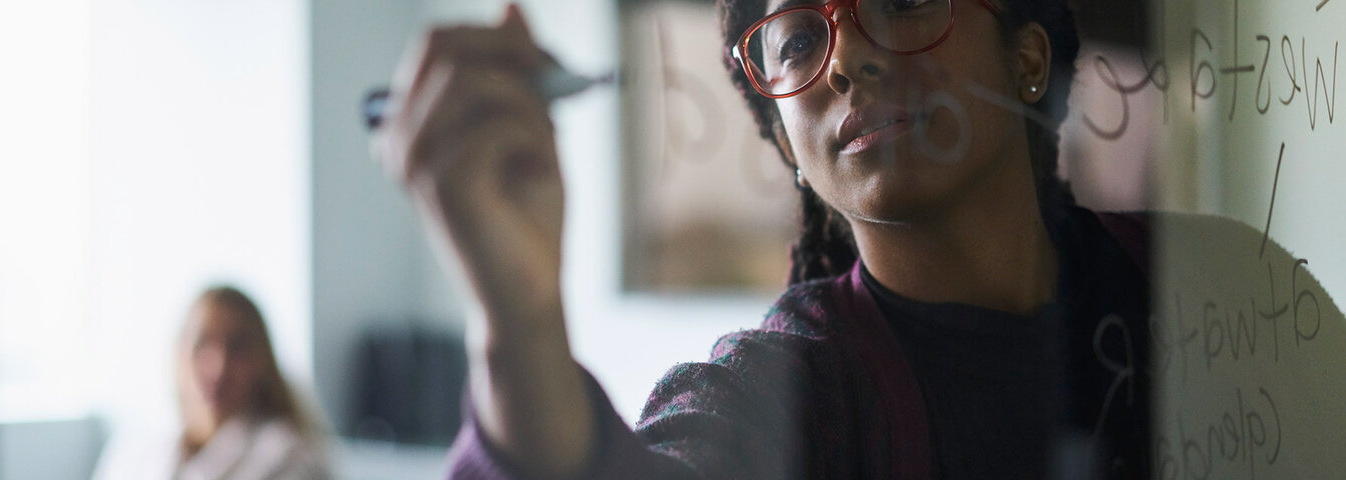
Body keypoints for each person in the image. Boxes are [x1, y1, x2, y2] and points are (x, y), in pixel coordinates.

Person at [378, 0, 1152, 478]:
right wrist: (520, 328)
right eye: (795, 42)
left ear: (1027, 60)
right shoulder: (796, 391)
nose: (845, 59)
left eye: (904, 0)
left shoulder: (1208, 280)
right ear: (788, 148)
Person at [93, 286, 330, 480]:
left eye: (237, 348)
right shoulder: (135, 449)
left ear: (262, 361)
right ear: (179, 353)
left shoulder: (291, 457)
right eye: (202, 344)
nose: (218, 368)